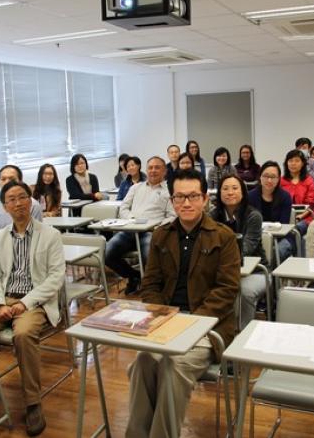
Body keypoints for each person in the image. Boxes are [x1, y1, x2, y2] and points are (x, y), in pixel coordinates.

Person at [126, 168, 240, 438]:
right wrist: (161, 316)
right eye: (179, 197)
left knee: (172, 367)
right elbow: (150, 284)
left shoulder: (223, 237)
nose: (186, 203)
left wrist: (191, 323)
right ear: (172, 200)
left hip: (206, 327)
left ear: (204, 199)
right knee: (142, 362)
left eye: (192, 196)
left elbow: (227, 289)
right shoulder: (161, 235)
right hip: (164, 321)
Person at [0, 181, 65, 436]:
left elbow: (55, 278)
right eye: (11, 199)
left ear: (31, 201)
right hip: (3, 299)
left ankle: (32, 402)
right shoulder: (0, 237)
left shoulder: (50, 235)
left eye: (22, 197)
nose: (18, 203)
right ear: (5, 206)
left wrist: (24, 303)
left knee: (22, 335)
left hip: (33, 301)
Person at [105, 157, 176, 294]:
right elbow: (123, 208)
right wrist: (131, 219)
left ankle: (152, 287)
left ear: (165, 171)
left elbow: (172, 216)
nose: (153, 171)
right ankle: (134, 276)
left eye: (157, 167)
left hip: (151, 232)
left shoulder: (169, 191)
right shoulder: (135, 188)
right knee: (107, 254)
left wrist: (157, 226)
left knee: (148, 257)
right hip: (130, 230)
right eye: (150, 167)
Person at [211, 174, 267, 330]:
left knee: (244, 291)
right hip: (222, 270)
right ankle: (218, 331)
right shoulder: (213, 216)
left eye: (235, 188)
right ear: (219, 193)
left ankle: (243, 333)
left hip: (254, 271)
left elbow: (246, 248)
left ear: (243, 192)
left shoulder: (253, 216)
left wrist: (220, 256)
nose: (230, 192)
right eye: (225, 189)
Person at [248, 161, 293, 262]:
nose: (269, 180)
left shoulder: (285, 197)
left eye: (273, 177)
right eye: (266, 176)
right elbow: (250, 223)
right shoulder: (250, 196)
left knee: (278, 251)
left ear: (278, 179)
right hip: (257, 237)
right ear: (260, 177)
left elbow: (283, 224)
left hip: (280, 237)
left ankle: (274, 277)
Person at [0, 165, 42, 231]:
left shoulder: (33, 205)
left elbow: (37, 232)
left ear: (20, 181)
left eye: (12, 179)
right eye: (3, 179)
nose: (6, 182)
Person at [279, 149, 314, 232]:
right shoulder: (281, 181)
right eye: (290, 161)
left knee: (296, 229)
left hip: (305, 217)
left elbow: (311, 204)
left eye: (297, 161)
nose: (293, 163)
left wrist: (300, 216)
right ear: (286, 163)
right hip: (284, 216)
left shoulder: (308, 180)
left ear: (302, 163)